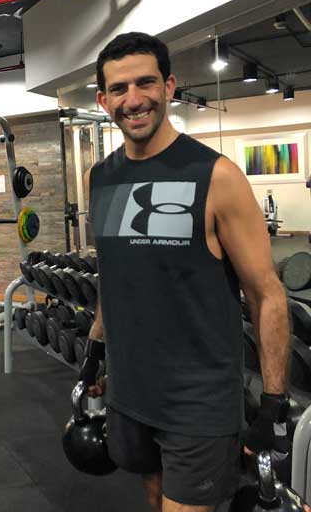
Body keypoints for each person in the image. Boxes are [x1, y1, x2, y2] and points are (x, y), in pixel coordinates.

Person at [80, 32, 291, 512]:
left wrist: (275, 402)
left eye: (145, 83)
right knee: (153, 495)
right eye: (119, 89)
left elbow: (267, 294)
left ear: (169, 86)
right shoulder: (99, 179)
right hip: (129, 390)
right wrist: (95, 348)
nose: (134, 99)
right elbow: (115, 276)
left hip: (198, 399)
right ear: (103, 100)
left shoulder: (216, 176)